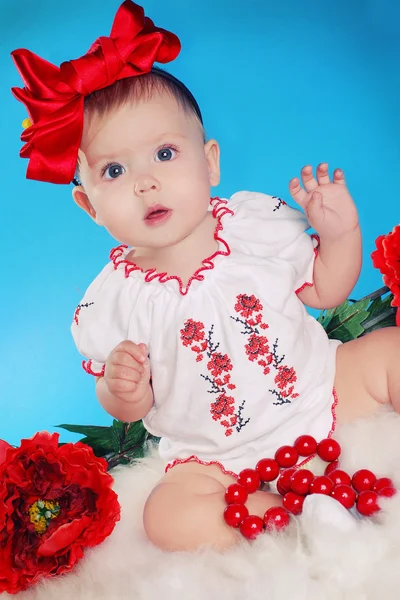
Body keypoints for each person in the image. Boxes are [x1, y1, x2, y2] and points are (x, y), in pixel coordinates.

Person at [11, 0, 400, 552]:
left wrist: (341, 235)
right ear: (88, 206)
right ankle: (293, 524)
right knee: (165, 517)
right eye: (115, 171)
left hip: (320, 391)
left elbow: (325, 290)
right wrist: (120, 389)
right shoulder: (113, 301)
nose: (146, 182)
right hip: (213, 456)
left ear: (210, 162)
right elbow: (133, 409)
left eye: (165, 153)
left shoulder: (252, 226)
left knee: (389, 352)